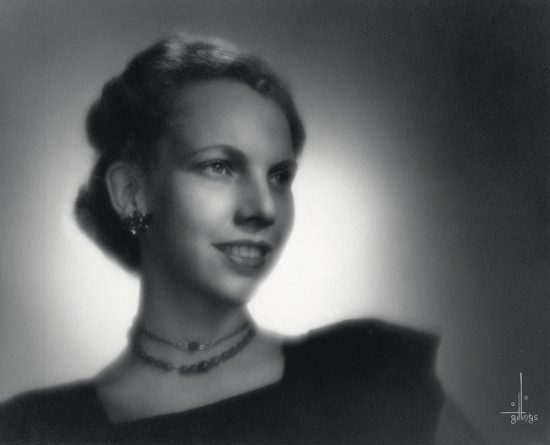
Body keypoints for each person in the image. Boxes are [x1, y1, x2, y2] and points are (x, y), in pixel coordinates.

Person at [0, 33, 485, 444]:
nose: (263, 208)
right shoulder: (37, 430)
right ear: (132, 193)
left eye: (279, 176)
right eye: (220, 166)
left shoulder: (363, 376)